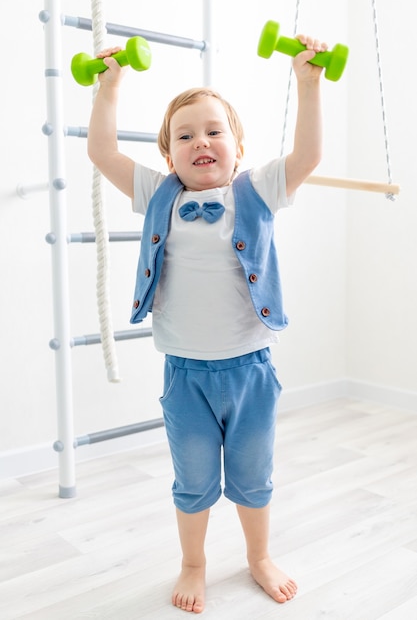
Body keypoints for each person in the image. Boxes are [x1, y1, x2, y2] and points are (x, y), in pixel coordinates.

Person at [88, 32, 326, 614]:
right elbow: (103, 153)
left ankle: (258, 557)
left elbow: (308, 157)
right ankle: (193, 562)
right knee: (193, 482)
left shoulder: (261, 190)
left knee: (253, 476)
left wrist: (308, 83)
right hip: (186, 374)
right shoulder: (157, 194)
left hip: (250, 370)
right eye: (185, 135)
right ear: (169, 155)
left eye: (214, 130)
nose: (201, 141)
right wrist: (108, 88)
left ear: (237, 146)